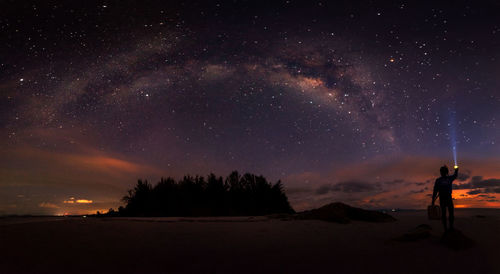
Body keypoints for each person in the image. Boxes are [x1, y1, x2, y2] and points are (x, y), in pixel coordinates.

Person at [432, 165, 458, 231]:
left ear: (446, 172)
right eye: (442, 171)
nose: (442, 173)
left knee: (450, 213)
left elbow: (455, 175)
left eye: (443, 171)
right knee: (444, 214)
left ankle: (450, 227)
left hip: (448, 197)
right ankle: (446, 229)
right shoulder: (439, 180)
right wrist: (433, 200)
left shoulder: (448, 178)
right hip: (442, 198)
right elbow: (435, 190)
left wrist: (456, 170)